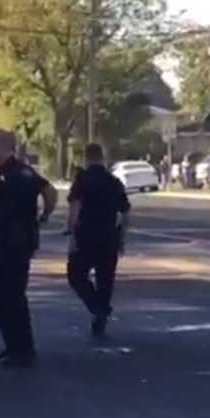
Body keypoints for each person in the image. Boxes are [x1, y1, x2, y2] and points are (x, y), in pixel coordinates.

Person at [0, 130, 57, 367]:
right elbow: (49, 190)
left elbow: (50, 192)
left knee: (10, 296)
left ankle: (21, 349)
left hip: (12, 243)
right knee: (5, 296)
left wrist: (44, 215)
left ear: (3, 145)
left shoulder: (15, 172)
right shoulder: (10, 171)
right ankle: (14, 345)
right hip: (6, 240)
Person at [67, 142, 129, 337]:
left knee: (76, 275)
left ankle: (96, 307)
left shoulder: (82, 180)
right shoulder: (114, 182)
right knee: (105, 280)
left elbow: (74, 210)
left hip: (86, 235)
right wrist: (122, 239)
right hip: (109, 236)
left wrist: (71, 235)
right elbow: (126, 212)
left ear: (86, 158)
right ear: (102, 158)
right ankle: (100, 312)